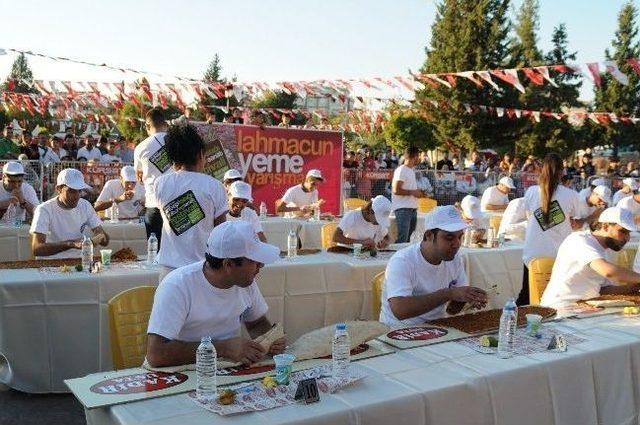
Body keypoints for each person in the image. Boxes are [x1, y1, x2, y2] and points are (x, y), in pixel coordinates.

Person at [145, 221, 285, 367]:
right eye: (255, 261)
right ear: (228, 265)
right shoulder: (178, 285)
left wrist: (270, 340)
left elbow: (257, 324)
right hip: (185, 372)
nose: (261, 265)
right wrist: (223, 348)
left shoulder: (244, 282)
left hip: (227, 368)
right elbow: (156, 355)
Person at [379, 206, 488, 326]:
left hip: (437, 329)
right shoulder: (402, 261)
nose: (457, 244)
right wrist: (448, 294)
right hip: (399, 332)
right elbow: (400, 310)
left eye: (459, 237)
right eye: (449, 237)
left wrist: (468, 299)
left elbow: (451, 311)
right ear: (428, 236)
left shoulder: (454, 258)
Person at [154, 124, 227, 269]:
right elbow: (221, 231)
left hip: (168, 269)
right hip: (202, 268)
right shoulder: (214, 186)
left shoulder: (160, 183)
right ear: (201, 154)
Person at [519, 153, 586, 306]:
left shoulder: (531, 192)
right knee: (556, 298)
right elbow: (576, 222)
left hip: (532, 253)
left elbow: (530, 216)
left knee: (527, 296)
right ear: (562, 172)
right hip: (558, 255)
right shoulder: (572, 195)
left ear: (542, 170)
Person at [540, 207, 640, 309]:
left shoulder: (605, 250)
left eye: (629, 233)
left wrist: (629, 288)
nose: (627, 238)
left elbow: (601, 289)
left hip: (585, 308)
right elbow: (608, 272)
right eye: (623, 231)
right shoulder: (578, 240)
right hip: (559, 308)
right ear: (605, 226)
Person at [30, 168, 109, 258]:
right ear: (58, 189)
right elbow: (37, 248)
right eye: (71, 191)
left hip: (79, 262)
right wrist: (70, 244)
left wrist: (100, 235)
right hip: (50, 264)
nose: (76, 196)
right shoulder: (44, 209)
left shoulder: (85, 205)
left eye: (79, 191)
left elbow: (105, 242)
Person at [134, 107, 172, 246]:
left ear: (147, 125)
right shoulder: (177, 142)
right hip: (176, 203)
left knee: (154, 250)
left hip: (153, 204)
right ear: (165, 123)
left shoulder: (141, 147)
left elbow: (139, 177)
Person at [392, 147, 425, 243]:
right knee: (402, 239)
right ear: (414, 156)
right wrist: (413, 192)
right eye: (418, 156)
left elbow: (408, 190)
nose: (419, 158)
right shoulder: (401, 170)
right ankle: (397, 258)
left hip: (412, 209)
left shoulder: (410, 170)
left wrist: (418, 192)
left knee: (407, 240)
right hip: (403, 209)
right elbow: (396, 190)